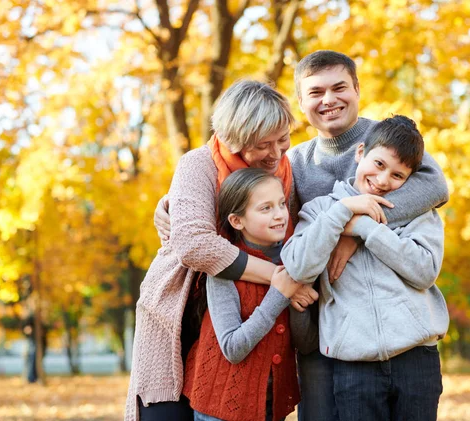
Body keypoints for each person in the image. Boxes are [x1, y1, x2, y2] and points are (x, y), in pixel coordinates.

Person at [154, 50, 449, 421]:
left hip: (395, 331)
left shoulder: (387, 139)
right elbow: (270, 223)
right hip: (319, 321)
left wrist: (355, 229)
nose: (329, 100)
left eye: (340, 87)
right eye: (315, 92)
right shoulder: (292, 162)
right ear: (301, 101)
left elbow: (435, 185)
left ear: (357, 89)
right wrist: (171, 204)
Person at [125, 80, 318, 421]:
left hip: (249, 322)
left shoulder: (288, 172)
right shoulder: (199, 165)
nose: (275, 154)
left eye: (283, 140)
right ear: (234, 139)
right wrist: (281, 280)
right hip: (181, 316)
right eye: (263, 145)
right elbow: (194, 244)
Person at [281, 115, 449, 420]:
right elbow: (298, 268)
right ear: (360, 153)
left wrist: (366, 229)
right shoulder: (320, 210)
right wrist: (342, 214)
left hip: (416, 358)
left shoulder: (416, 213)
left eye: (398, 176)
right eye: (380, 164)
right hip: (353, 363)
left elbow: (425, 270)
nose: (384, 180)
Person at [184, 168, 301, 421]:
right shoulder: (224, 268)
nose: (280, 214)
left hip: (269, 403)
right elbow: (232, 348)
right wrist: (279, 295)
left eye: (281, 204)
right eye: (265, 208)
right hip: (221, 406)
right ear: (237, 220)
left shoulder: (293, 257)